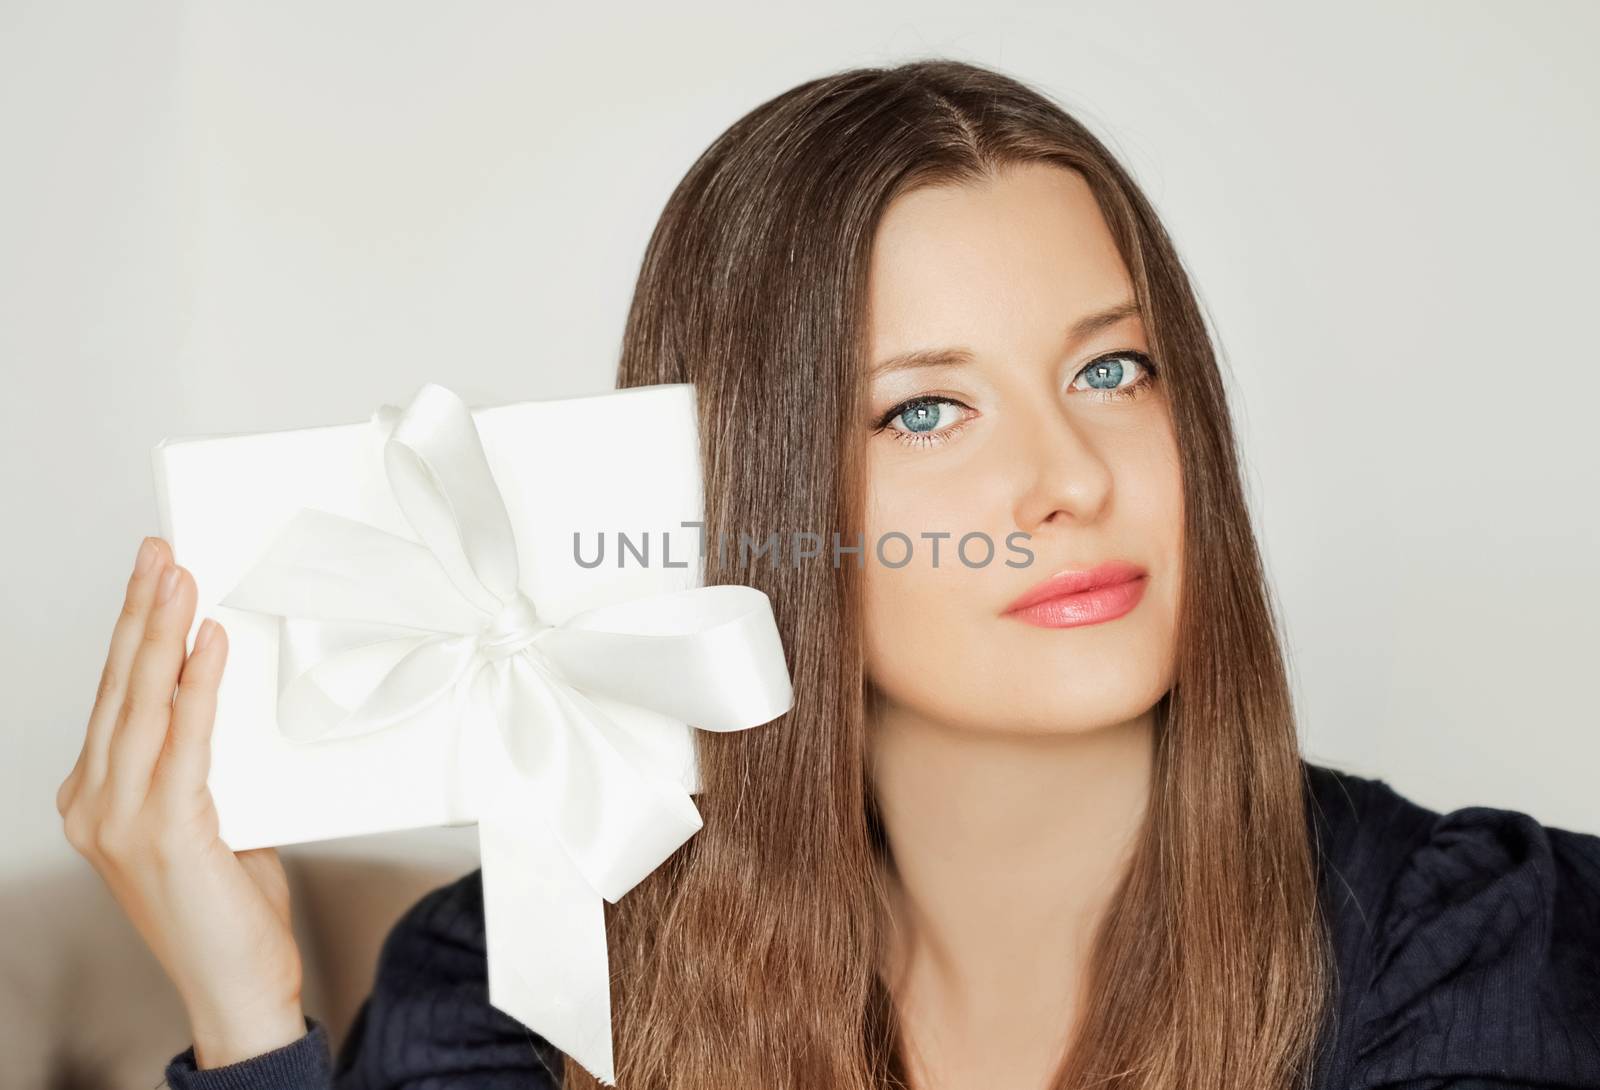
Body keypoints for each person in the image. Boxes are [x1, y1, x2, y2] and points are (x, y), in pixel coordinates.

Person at [58, 58, 1600, 1090]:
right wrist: (248, 1010)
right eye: (926, 408)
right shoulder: (514, 987)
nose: (1068, 478)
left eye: (1116, 370)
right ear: (745, 499)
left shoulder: (1476, 944)